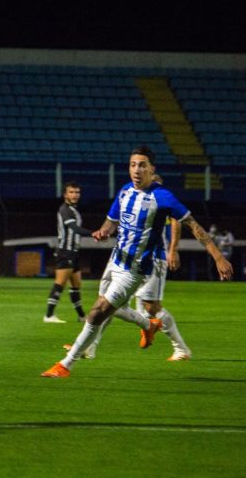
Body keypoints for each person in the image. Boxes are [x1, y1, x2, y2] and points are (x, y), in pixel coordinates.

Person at [42, 146, 233, 377]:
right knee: (110, 309)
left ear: (152, 169)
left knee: (98, 311)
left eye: (142, 165)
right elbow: (111, 222)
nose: (136, 170)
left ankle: (66, 364)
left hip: (135, 268)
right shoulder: (124, 191)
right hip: (115, 260)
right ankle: (147, 325)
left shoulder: (162, 197)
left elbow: (193, 225)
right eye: (133, 165)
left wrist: (218, 257)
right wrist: (103, 232)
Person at [77, 174, 192, 361]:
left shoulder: (162, 199)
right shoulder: (132, 197)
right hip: (128, 259)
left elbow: (176, 222)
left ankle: (180, 348)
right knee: (107, 302)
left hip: (153, 257)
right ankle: (90, 346)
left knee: (150, 307)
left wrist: (173, 250)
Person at [43, 181, 92, 323]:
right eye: (71, 192)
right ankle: (49, 315)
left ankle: (81, 316)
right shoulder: (65, 210)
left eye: (77, 192)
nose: (75, 195)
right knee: (60, 283)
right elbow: (75, 228)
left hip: (73, 253)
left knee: (76, 285)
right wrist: (94, 233)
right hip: (65, 252)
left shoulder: (73, 209)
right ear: (65, 194)